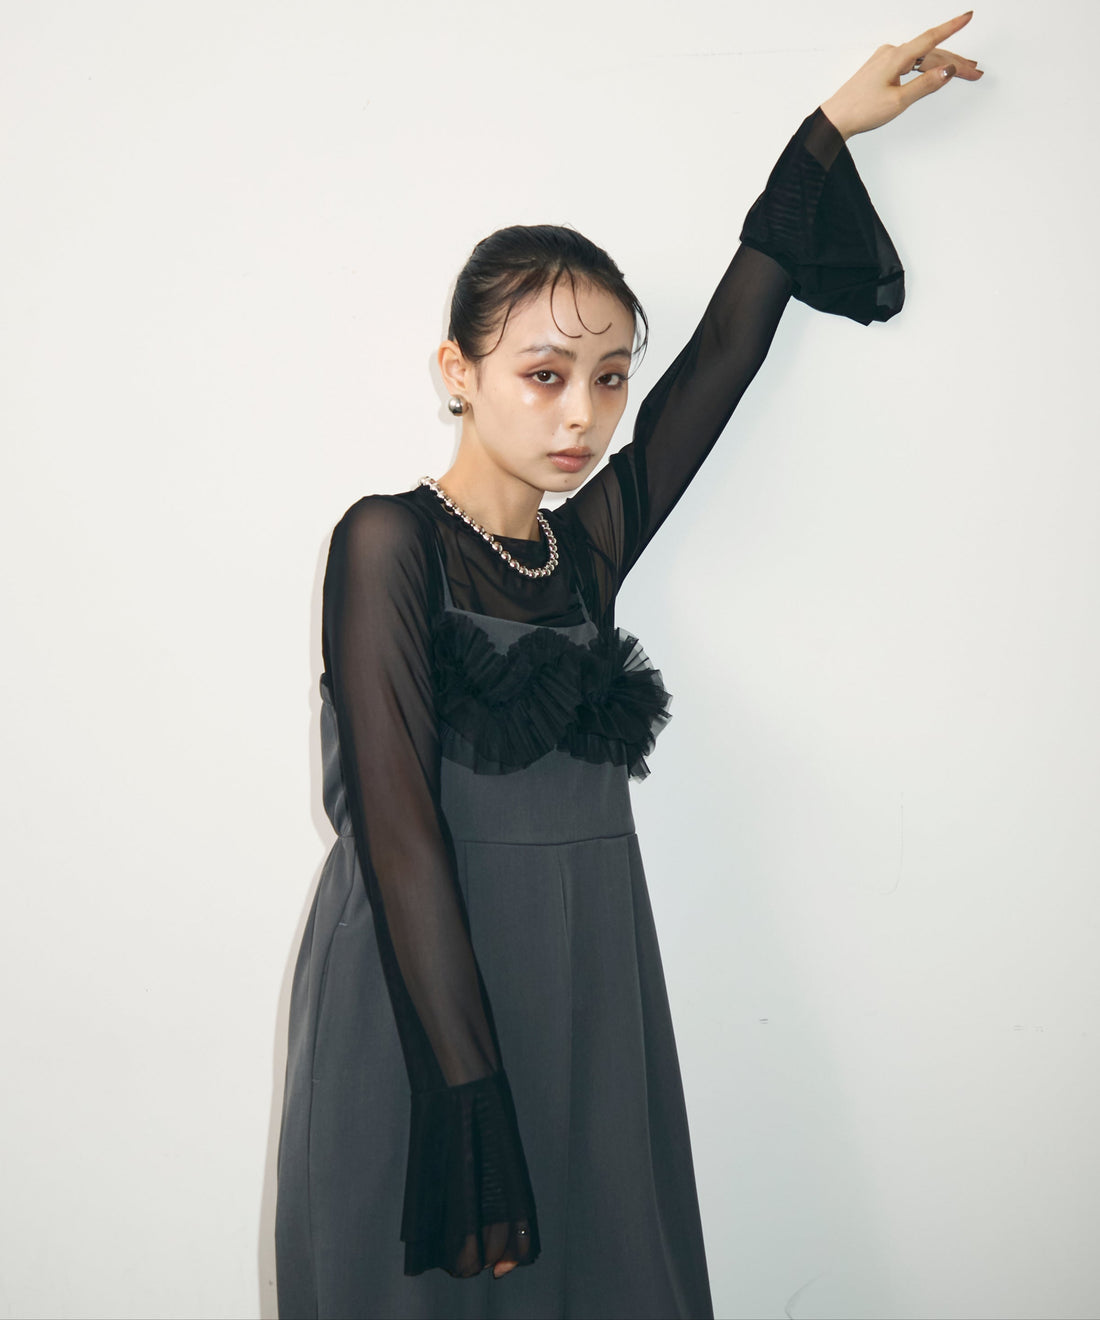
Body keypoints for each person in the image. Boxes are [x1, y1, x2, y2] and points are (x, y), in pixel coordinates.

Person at [274, 14, 982, 1319]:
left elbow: (715, 365)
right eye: (545, 375)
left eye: (606, 380)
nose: (583, 415)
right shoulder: (386, 543)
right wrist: (466, 1097)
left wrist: (827, 133)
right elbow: (397, 828)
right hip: (427, 1006)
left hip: (589, 977)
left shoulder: (585, 551)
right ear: (458, 371)